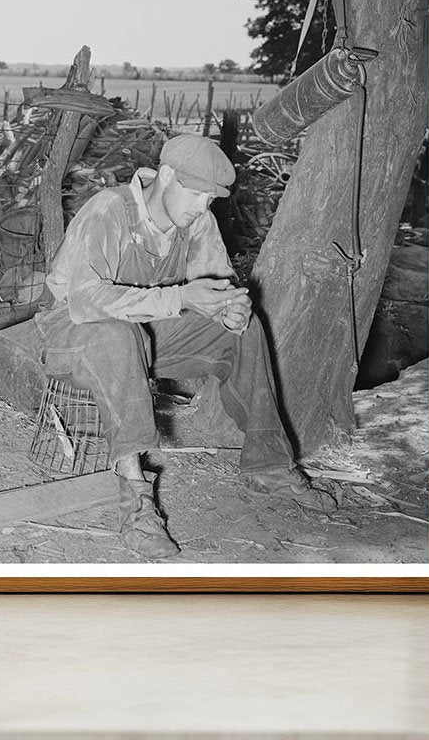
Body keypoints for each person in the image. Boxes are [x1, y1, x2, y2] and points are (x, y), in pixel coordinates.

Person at [34, 134, 334, 559]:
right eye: (195, 194)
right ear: (167, 175)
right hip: (73, 331)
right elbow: (87, 302)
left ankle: (269, 467)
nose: (200, 207)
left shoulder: (195, 221)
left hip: (146, 327)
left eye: (209, 200)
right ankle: (135, 498)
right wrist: (181, 298)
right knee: (115, 334)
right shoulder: (109, 210)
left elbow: (218, 285)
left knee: (243, 332)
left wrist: (231, 308)